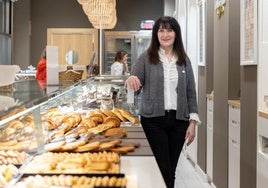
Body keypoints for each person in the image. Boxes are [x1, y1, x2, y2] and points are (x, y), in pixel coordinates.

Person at [125, 16, 201, 188]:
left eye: (169, 30)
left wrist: (193, 123)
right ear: (156, 34)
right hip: (153, 121)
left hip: (179, 121)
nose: (165, 34)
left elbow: (191, 93)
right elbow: (134, 79)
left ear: (176, 34)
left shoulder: (184, 60)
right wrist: (131, 80)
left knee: (171, 170)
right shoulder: (146, 57)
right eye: (161, 30)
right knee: (163, 168)